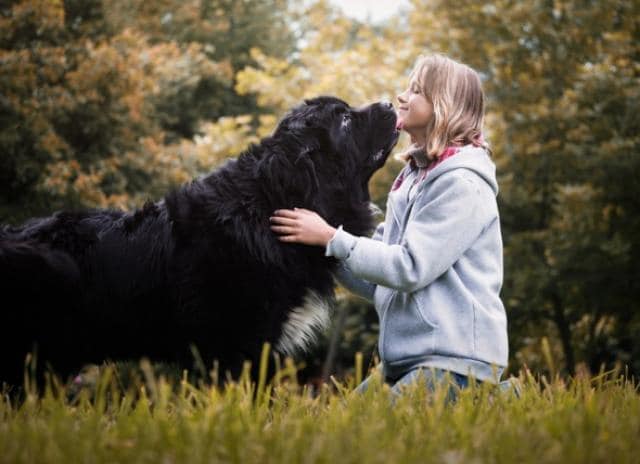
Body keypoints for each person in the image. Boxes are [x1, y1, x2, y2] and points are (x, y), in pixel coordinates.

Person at [269, 54, 508, 397]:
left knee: (362, 439)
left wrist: (332, 238)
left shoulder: (462, 185)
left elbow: (407, 269)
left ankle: (494, 396)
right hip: (405, 363)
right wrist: (320, 247)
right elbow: (382, 280)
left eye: (416, 91)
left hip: (455, 365)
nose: (402, 97)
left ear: (444, 106)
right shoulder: (412, 179)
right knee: (337, 430)